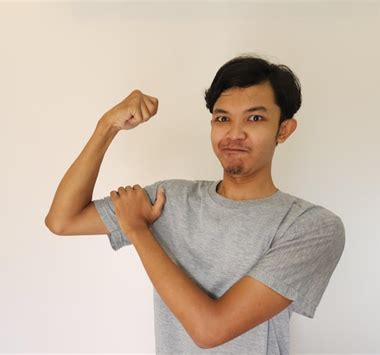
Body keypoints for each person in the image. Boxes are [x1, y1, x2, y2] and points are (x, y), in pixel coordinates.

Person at [45, 54, 346, 354]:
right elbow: (63, 220)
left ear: (284, 130)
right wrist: (106, 126)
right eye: (222, 118)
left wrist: (138, 229)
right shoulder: (171, 198)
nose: (234, 133)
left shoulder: (310, 226)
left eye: (255, 118)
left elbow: (210, 330)